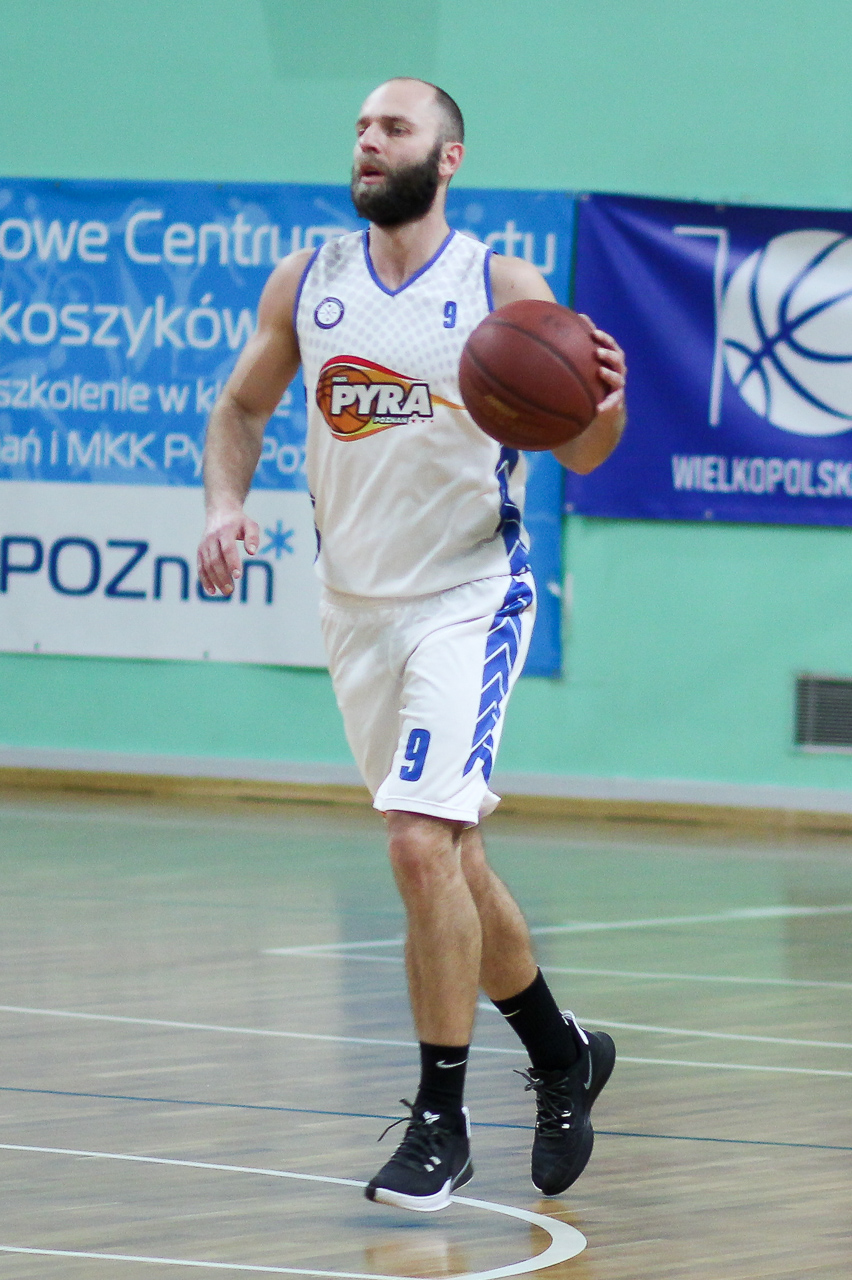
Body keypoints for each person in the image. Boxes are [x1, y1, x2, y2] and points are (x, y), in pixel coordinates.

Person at [198, 77, 626, 1214]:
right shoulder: (309, 281)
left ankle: (442, 1120)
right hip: (355, 605)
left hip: (468, 593)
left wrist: (603, 402)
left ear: (449, 157)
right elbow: (240, 409)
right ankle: (562, 1052)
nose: (368, 142)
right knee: (452, 858)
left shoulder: (503, 289)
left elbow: (588, 451)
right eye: (360, 128)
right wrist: (223, 505)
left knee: (416, 841)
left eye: (393, 127)